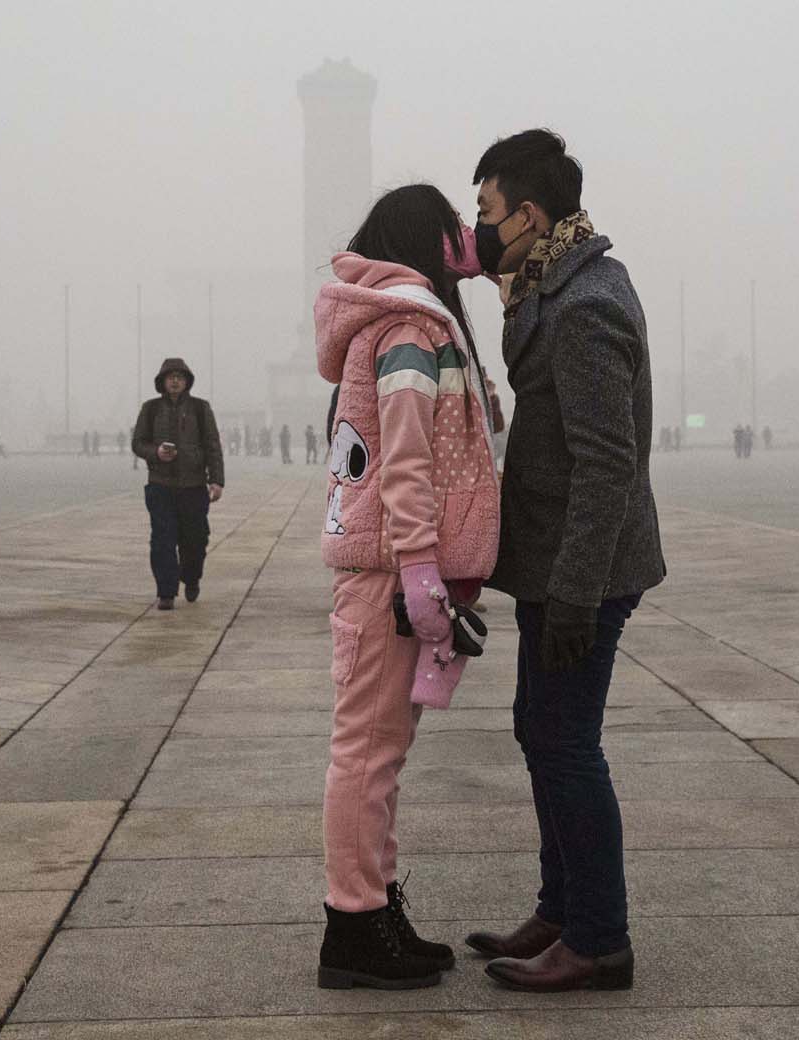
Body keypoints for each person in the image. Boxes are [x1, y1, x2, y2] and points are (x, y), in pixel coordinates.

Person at [464, 129, 665, 993]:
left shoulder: (586, 305)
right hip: (554, 564)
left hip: (585, 570)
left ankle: (599, 938)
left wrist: (578, 596)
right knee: (538, 731)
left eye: (486, 212)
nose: (479, 230)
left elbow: (607, 463)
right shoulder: (558, 282)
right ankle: (561, 907)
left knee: (567, 744)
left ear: (530, 215)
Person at [315, 184, 501, 991]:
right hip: (389, 572)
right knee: (366, 752)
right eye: (454, 227)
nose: (467, 238)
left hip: (390, 568)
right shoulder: (408, 329)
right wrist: (421, 566)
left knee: (380, 753)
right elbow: (407, 456)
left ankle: (377, 907)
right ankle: (353, 927)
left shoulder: (407, 321)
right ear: (425, 239)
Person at [132, 358, 224, 609]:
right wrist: (156, 452)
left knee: (195, 540)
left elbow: (212, 446)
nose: (174, 381)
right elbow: (138, 443)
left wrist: (216, 480)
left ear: (186, 381)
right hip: (160, 485)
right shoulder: (151, 409)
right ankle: (166, 592)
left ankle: (191, 578)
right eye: (170, 377)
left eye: (179, 377)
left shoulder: (200, 409)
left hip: (193, 486)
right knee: (162, 540)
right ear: (162, 381)